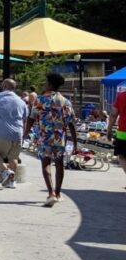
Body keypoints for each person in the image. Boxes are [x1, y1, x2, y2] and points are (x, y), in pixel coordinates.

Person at [27, 72, 78, 206]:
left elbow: (31, 119)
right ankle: (59, 193)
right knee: (59, 164)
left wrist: (25, 133)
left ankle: (51, 194)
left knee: (46, 163)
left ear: (49, 83)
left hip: (44, 137)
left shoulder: (40, 100)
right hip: (59, 138)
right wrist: (75, 144)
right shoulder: (65, 101)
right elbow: (71, 124)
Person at [0, 78, 30, 188]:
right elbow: (24, 120)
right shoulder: (21, 102)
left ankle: (6, 171)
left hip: (0, 132)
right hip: (17, 133)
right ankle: (11, 181)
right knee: (13, 157)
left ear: (3, 86)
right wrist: (23, 134)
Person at [106, 87, 126, 185]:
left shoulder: (121, 96)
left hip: (123, 133)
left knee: (122, 157)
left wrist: (109, 130)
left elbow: (113, 114)